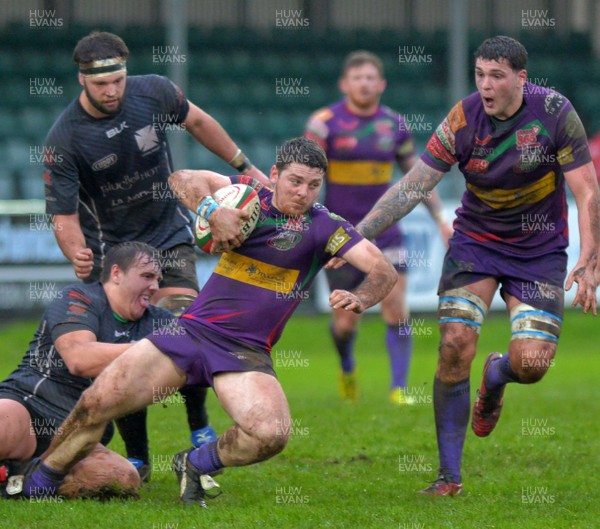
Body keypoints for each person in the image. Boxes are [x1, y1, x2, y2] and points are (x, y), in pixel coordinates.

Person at [20, 137, 398, 506]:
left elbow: (383, 269)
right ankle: (38, 483)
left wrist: (361, 297)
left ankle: (195, 462)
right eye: (295, 181)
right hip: (191, 332)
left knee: (272, 435)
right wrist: (213, 212)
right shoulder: (249, 194)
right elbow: (181, 178)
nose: (303, 192)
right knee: (97, 402)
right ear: (275, 174)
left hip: (245, 352)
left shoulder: (325, 227)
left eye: (313, 185)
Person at [351, 36, 599, 495]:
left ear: (521, 79)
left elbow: (586, 190)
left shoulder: (555, 113)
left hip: (539, 250)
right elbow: (412, 187)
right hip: (476, 243)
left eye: (497, 76)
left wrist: (589, 258)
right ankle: (449, 476)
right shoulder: (463, 118)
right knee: (453, 344)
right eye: (480, 74)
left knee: (532, 364)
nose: (485, 85)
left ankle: (497, 374)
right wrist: (357, 233)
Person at [43, 31, 269, 478]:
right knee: (128, 352)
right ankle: (139, 456)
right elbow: (64, 217)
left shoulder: (155, 91)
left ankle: (199, 426)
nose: (111, 91)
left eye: (118, 81)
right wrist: (76, 254)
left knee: (183, 325)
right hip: (113, 254)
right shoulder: (63, 140)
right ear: (81, 80)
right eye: (101, 84)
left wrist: (244, 166)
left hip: (168, 236)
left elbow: (200, 123)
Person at [305, 51, 452, 404]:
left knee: (396, 305)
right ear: (345, 84)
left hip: (387, 231)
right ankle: (347, 367)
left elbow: (418, 178)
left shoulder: (395, 126)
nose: (365, 83)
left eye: (371, 78)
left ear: (381, 84)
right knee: (345, 321)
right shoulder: (324, 124)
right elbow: (306, 176)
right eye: (358, 78)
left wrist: (440, 220)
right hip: (340, 235)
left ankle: (398, 388)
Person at [0, 242, 174, 498]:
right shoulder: (78, 298)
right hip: (28, 406)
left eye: (158, 279)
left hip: (83, 429)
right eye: (147, 276)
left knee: (123, 477)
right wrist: (152, 348)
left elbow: (198, 348)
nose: (155, 286)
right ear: (116, 274)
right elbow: (80, 359)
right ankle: (18, 474)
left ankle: (20, 479)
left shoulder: (159, 321)